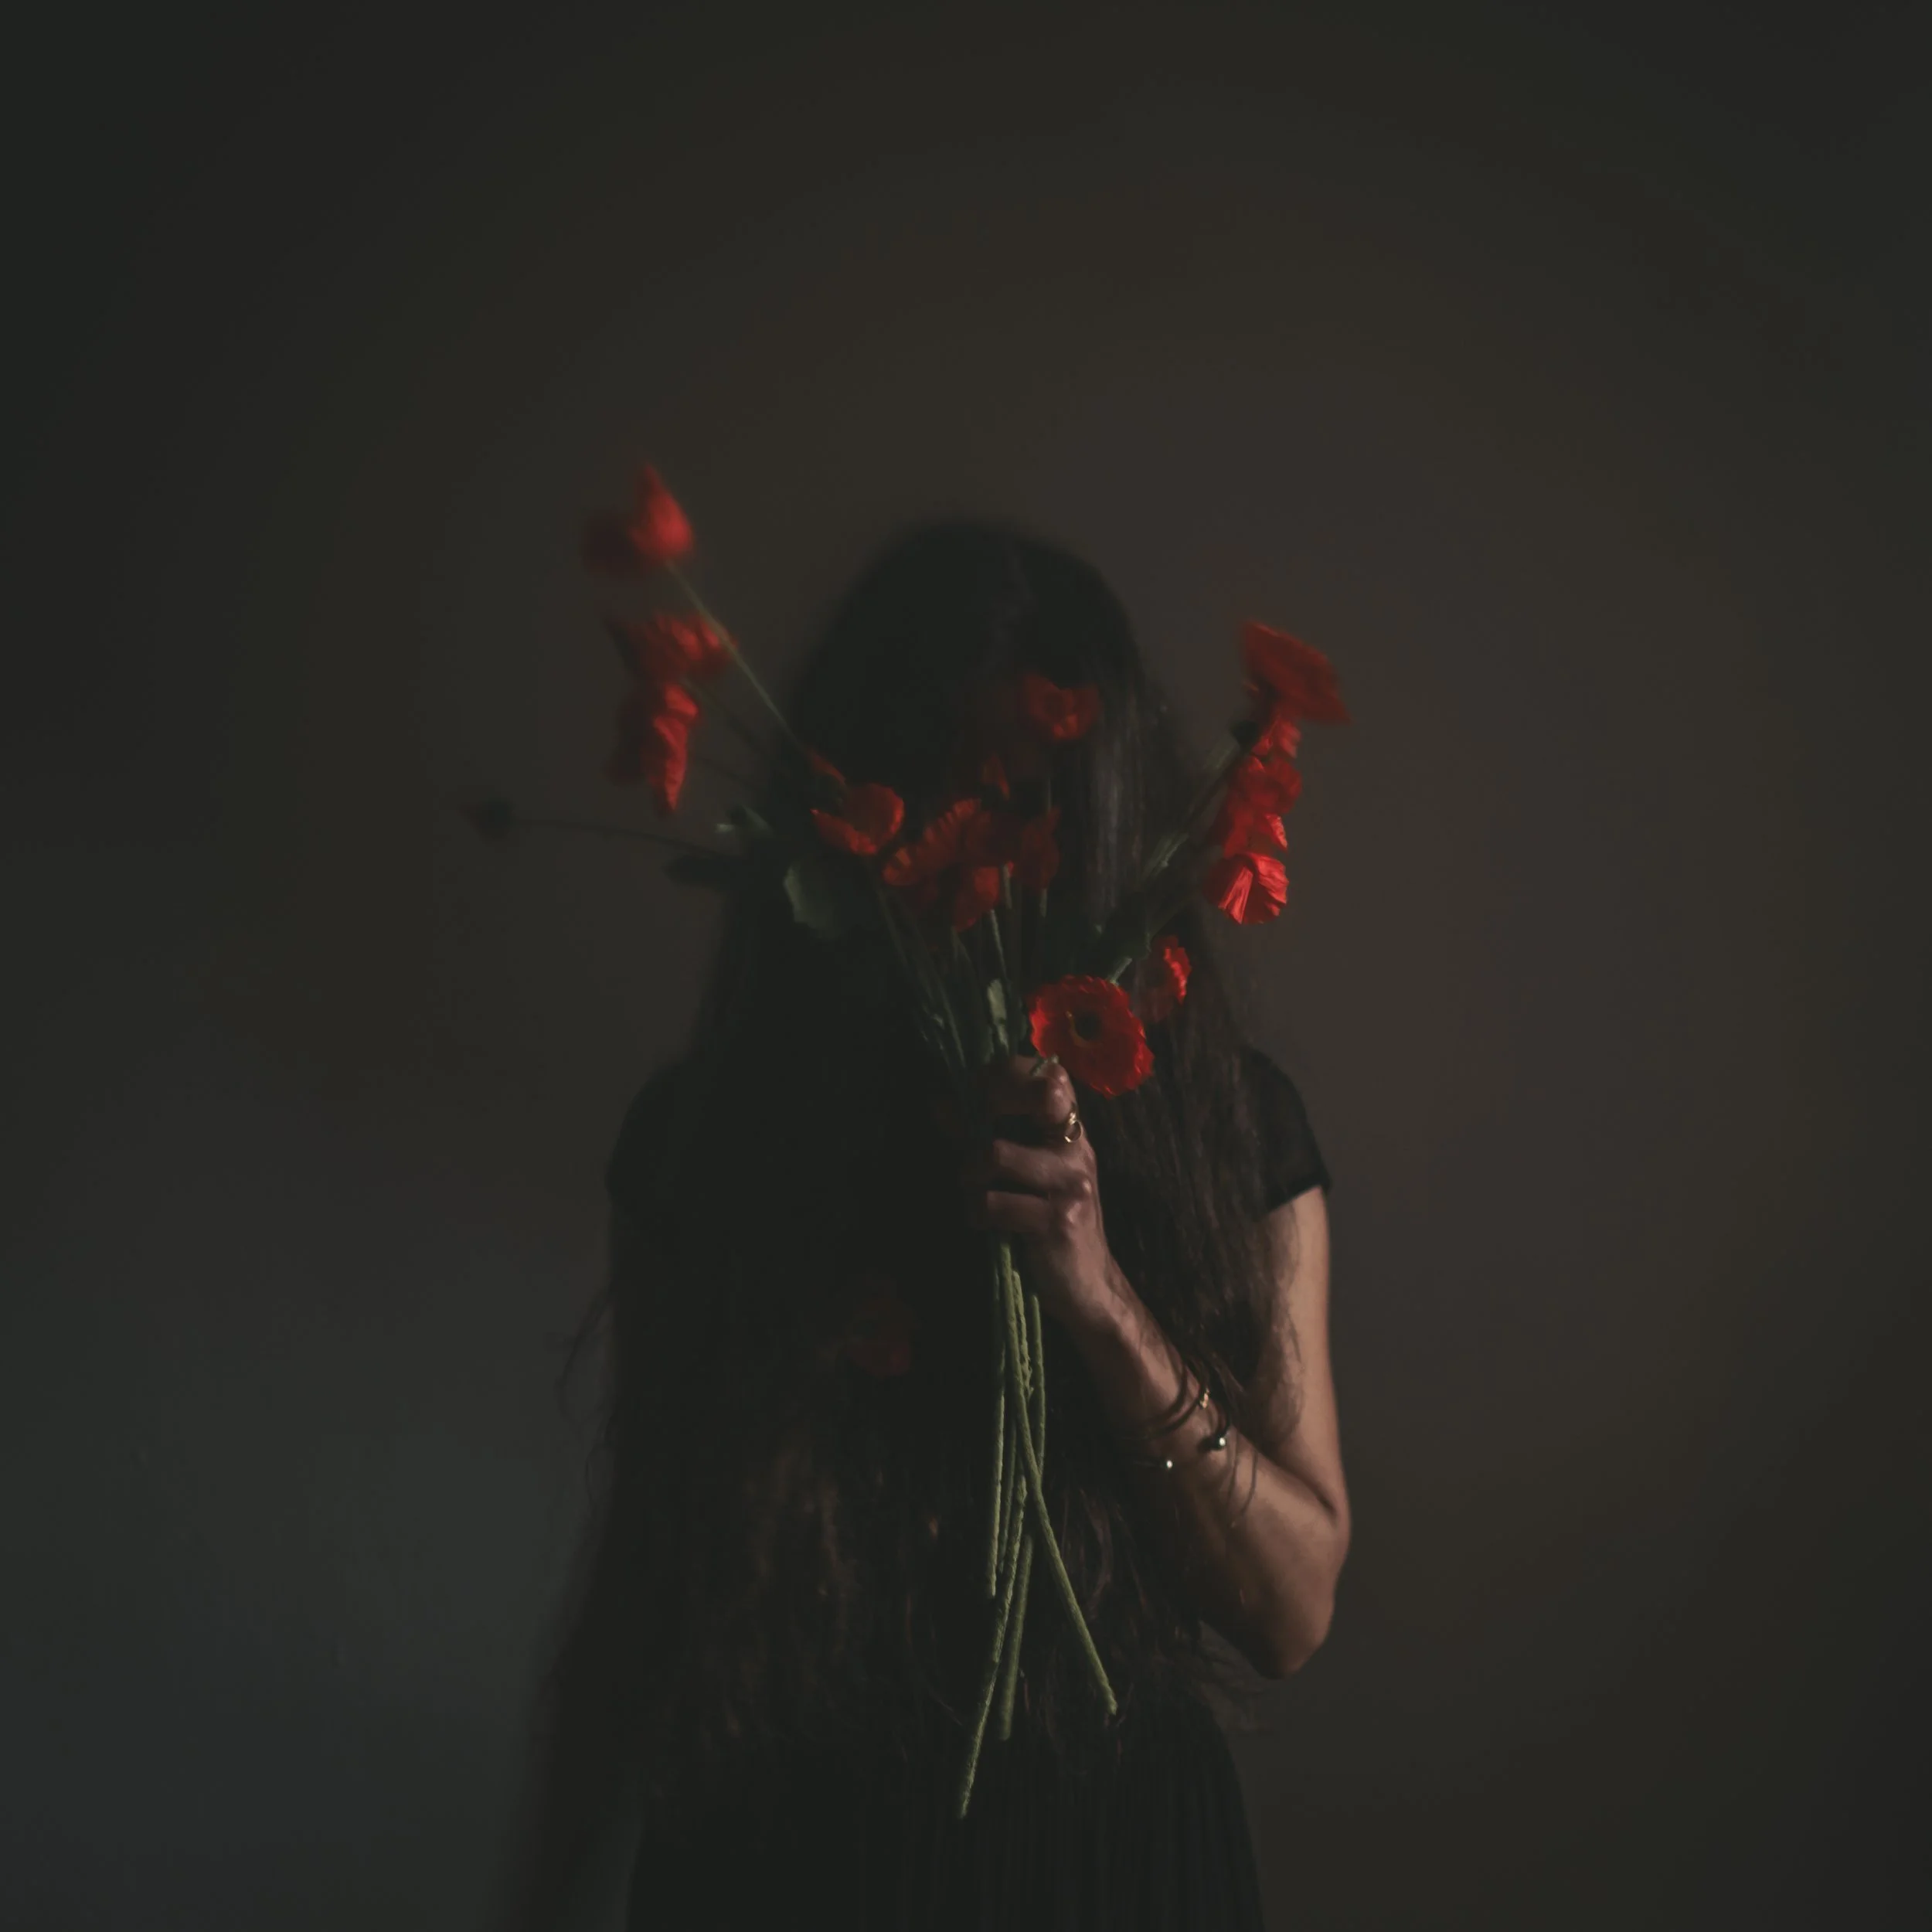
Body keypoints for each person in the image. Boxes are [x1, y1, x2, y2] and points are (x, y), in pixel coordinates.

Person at [500, 525, 1351, 1930]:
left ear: (1100, 803)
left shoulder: (1224, 1127)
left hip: (1109, 1867)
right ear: (847, 802)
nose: (982, 841)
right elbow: (643, 1583)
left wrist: (1095, 1297)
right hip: (788, 1859)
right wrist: (536, 1896)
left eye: (1025, 796)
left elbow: (1291, 1609)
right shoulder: (720, 1137)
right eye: (942, 788)